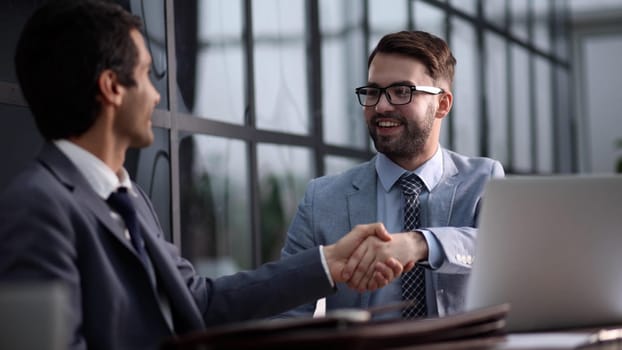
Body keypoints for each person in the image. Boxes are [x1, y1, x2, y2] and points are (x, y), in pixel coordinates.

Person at [0, 1, 405, 349]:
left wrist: (330, 261)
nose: (159, 94)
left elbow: (199, 301)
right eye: (144, 75)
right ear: (111, 88)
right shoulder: (37, 208)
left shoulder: (128, 197)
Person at [278, 30, 505, 319]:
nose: (381, 106)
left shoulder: (483, 180)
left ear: (443, 104)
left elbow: (501, 251)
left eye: (402, 91)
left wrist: (419, 244)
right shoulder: (321, 199)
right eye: (373, 91)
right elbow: (286, 309)